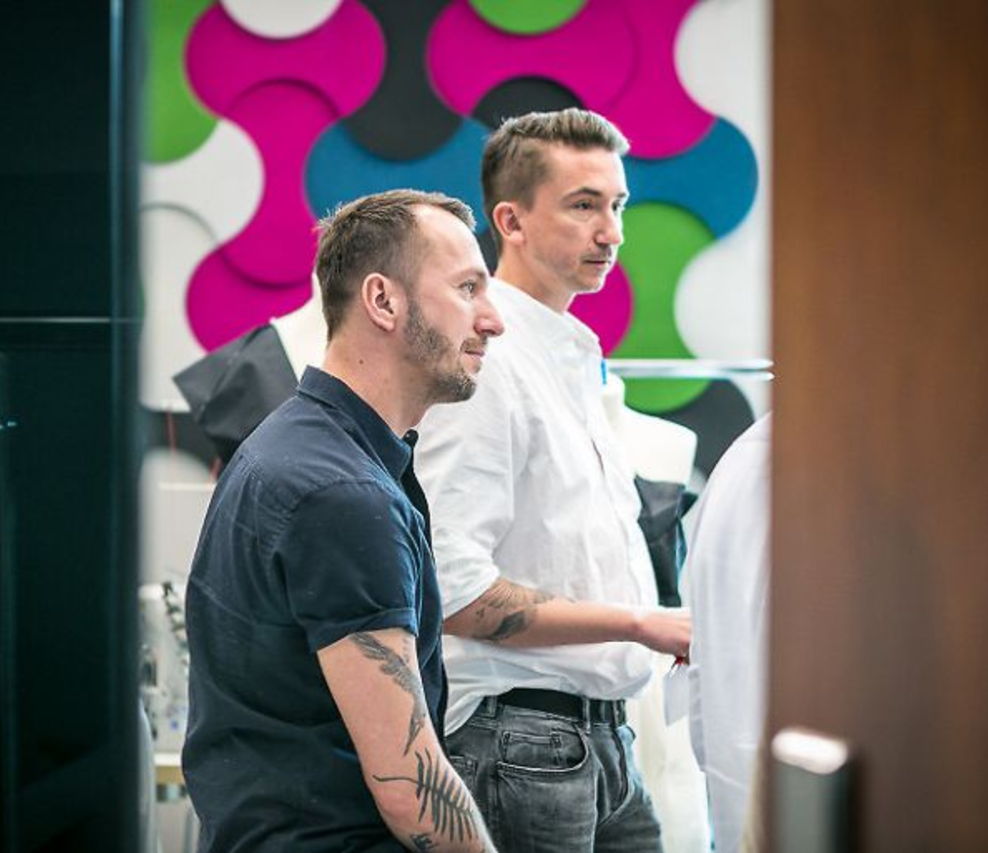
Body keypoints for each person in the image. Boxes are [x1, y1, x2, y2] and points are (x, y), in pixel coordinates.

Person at [182, 189, 505, 853]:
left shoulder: (302, 449)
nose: (493, 320)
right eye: (467, 288)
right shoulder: (342, 493)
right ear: (383, 300)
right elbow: (412, 789)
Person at [415, 108, 691, 852]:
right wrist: (639, 622)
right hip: (519, 739)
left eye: (618, 205)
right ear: (511, 220)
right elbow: (453, 586)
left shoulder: (568, 356)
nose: (612, 232)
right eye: (584, 205)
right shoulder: (489, 360)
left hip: (599, 739)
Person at [686, 414, 772, 853]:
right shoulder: (797, 469)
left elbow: (700, 673)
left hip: (737, 779)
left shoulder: (737, 462)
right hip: (786, 785)